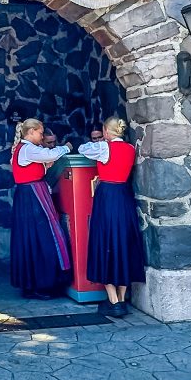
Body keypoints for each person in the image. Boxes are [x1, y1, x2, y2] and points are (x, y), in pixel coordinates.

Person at [78, 116, 146, 317]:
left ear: (107, 132)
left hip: (107, 196)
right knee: (123, 243)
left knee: (103, 241)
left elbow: (83, 150)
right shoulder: (130, 149)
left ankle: (114, 301)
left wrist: (99, 143)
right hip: (124, 196)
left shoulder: (104, 148)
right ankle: (122, 300)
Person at [10, 118, 74, 299]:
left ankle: (34, 284)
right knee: (42, 237)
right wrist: (67, 147)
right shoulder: (28, 149)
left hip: (29, 194)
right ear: (30, 132)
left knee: (31, 239)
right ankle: (41, 284)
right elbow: (49, 155)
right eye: (40, 132)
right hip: (33, 195)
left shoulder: (24, 149)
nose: (41, 136)